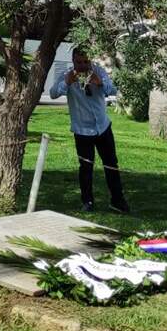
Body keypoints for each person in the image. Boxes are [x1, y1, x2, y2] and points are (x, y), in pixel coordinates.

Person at [49, 47, 130, 213]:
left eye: (86, 62)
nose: (82, 66)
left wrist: (100, 82)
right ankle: (87, 201)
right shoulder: (67, 74)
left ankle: (117, 201)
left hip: (103, 127)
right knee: (86, 167)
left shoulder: (98, 71)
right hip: (82, 130)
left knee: (111, 164)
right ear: (73, 61)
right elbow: (53, 93)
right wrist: (66, 82)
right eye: (79, 62)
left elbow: (113, 90)